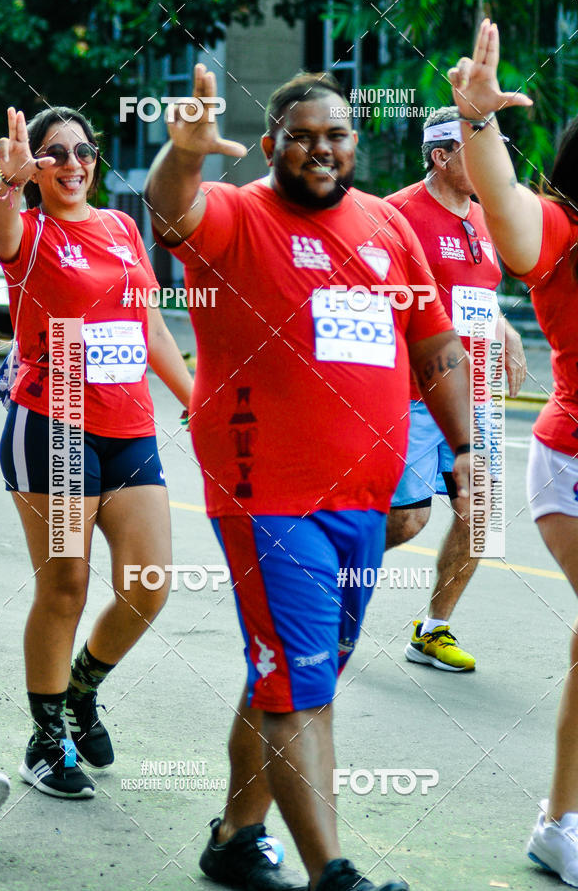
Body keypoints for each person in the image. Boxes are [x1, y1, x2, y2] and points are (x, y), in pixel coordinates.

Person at [145, 64, 474, 891]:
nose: (320, 149)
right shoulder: (236, 214)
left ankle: (234, 837)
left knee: (298, 670)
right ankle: (336, 872)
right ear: (270, 145)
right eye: (302, 136)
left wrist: (465, 451)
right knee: (299, 678)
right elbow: (169, 208)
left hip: (360, 499)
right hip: (266, 494)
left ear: (355, 144)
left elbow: (434, 348)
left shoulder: (387, 229)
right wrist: (183, 154)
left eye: (336, 135)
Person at [0, 106, 193, 799]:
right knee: (67, 584)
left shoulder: (122, 227)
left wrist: (196, 398)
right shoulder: (31, 232)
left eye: (83, 150)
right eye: (54, 153)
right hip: (54, 423)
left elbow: (154, 326)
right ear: (36, 164)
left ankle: (81, 688)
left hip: (129, 425)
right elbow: (4, 232)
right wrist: (9, 189)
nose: (73, 163)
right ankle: (45, 741)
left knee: (149, 584)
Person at [449, 18, 578, 887]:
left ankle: (559, 817)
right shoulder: (564, 229)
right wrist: (482, 124)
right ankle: (559, 822)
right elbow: (512, 220)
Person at [384, 106, 527, 672]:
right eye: (477, 148)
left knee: (481, 510)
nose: (497, 159)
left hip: (476, 395)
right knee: (407, 519)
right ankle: (327, 577)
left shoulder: (486, 215)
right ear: (441, 158)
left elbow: (478, 293)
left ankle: (432, 629)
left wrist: (507, 330)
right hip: (414, 396)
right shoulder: (397, 215)